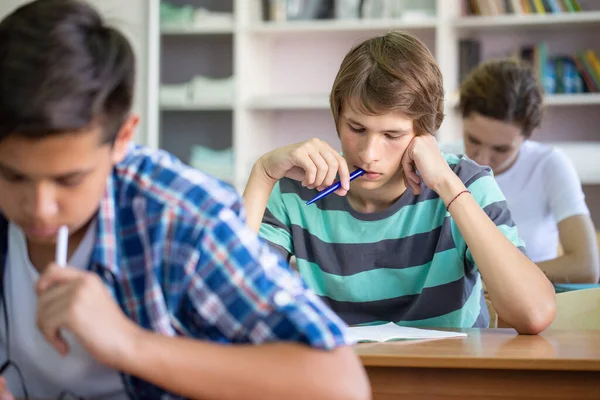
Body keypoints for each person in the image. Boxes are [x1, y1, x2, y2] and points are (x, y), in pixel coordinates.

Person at [0, 1, 370, 399]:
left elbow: (340, 384)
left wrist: (128, 343)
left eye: (69, 180)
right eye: (12, 175)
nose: (39, 207)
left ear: (123, 138)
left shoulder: (181, 216)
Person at [243, 31, 556, 334]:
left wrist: (447, 186)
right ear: (337, 116)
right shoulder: (296, 189)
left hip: (451, 381)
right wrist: (263, 174)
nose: (368, 154)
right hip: (339, 381)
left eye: (392, 135)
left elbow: (532, 314)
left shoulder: (465, 184)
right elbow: (234, 309)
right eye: (356, 128)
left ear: (425, 133)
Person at [458, 59, 599, 283]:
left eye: (501, 149)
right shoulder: (439, 161)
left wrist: (497, 277)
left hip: (530, 308)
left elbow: (586, 266)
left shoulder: (549, 165)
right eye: (473, 140)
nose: (482, 159)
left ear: (527, 136)